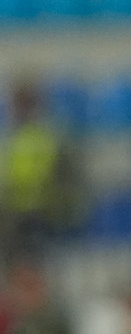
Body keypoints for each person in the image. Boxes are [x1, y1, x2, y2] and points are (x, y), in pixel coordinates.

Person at [0, 79, 82, 257]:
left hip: (44, 214)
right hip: (14, 214)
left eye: (26, 104)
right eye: (18, 104)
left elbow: (65, 179)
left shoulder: (50, 138)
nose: (20, 110)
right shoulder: (10, 138)